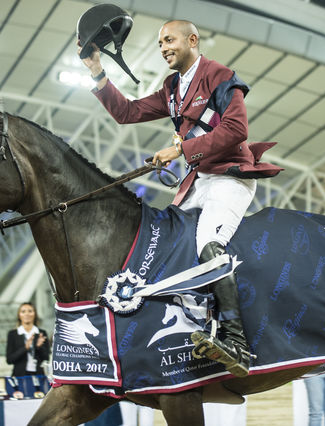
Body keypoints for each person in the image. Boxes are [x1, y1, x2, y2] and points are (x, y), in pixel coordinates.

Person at [79, 13, 281, 377]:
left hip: (229, 178)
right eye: (159, 43)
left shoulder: (220, 75)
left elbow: (236, 129)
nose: (163, 48)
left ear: (192, 40)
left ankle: (236, 340)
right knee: (167, 242)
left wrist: (180, 151)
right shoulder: (172, 88)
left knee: (207, 243)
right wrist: (96, 70)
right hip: (197, 181)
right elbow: (126, 112)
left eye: (169, 40)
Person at [6, 302, 49, 376]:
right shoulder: (13, 334)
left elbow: (46, 358)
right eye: (23, 311)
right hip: (20, 375)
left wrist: (39, 347)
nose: (27, 314)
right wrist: (25, 348)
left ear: (35, 314)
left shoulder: (41, 333)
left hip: (39, 375)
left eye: (30, 311)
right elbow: (9, 360)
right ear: (19, 315)